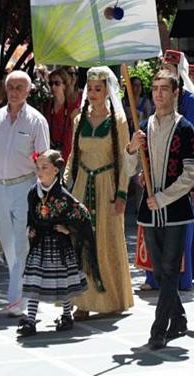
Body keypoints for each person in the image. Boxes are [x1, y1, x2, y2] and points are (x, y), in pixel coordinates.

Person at [125, 70, 194, 350]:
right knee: (159, 271)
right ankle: (178, 317)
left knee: (169, 270)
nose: (158, 93)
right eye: (155, 88)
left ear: (175, 92)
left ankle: (159, 329)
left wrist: (164, 197)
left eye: (164, 88)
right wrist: (132, 149)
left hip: (176, 212)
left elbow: (190, 173)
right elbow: (130, 170)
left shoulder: (185, 128)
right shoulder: (143, 127)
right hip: (149, 211)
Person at [0, 70, 50, 316]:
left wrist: (44, 191)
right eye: (11, 87)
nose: (14, 91)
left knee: (21, 242)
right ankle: (23, 289)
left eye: (19, 87)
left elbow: (43, 158)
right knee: (7, 242)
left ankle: (17, 298)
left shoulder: (37, 120)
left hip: (25, 186)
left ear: (28, 91)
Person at [65, 66, 133, 319]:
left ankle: (113, 298)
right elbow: (74, 154)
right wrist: (65, 185)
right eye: (90, 88)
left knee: (107, 241)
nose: (92, 93)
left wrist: (122, 193)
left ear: (107, 91)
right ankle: (83, 301)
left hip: (107, 186)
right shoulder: (78, 119)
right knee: (81, 242)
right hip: (83, 184)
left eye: (98, 89)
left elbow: (124, 159)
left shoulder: (118, 121)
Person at [17, 150, 102, 337]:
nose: (40, 171)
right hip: (40, 242)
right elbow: (31, 216)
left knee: (64, 281)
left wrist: (68, 230)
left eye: (44, 167)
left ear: (56, 170)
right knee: (33, 279)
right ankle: (30, 320)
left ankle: (66, 315)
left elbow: (83, 215)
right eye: (38, 167)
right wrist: (30, 229)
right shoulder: (33, 192)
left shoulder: (63, 195)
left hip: (59, 244)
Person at [43, 68, 77, 161]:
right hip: (50, 156)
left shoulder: (72, 108)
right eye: (51, 83)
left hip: (67, 155)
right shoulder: (46, 106)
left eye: (57, 83)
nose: (53, 87)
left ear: (65, 85)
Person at [160, 50, 194, 126]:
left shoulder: (189, 99)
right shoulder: (158, 96)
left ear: (178, 71)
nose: (164, 72)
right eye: (162, 68)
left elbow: (189, 129)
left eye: (168, 69)